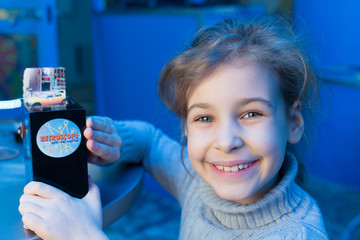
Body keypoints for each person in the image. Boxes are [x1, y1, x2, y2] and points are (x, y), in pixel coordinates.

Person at [19, 16, 329, 239]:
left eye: (251, 114)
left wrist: (82, 235)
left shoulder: (298, 234)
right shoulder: (199, 182)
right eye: (204, 118)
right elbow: (151, 142)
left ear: (293, 122)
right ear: (186, 128)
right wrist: (113, 139)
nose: (226, 142)